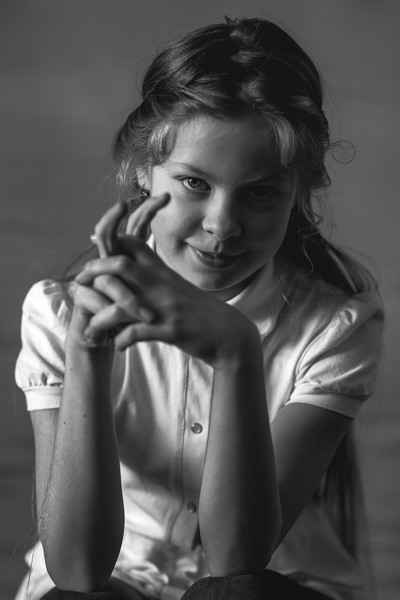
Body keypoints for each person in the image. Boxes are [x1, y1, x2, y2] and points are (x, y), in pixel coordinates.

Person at [14, 16, 384, 600]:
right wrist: (87, 349)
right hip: (118, 574)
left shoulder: (334, 328)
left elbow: (234, 561)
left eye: (260, 192)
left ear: (299, 192)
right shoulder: (57, 315)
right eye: (194, 184)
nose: (222, 225)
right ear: (143, 169)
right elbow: (77, 569)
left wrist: (236, 350)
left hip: (274, 582)